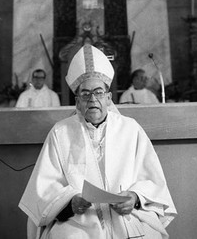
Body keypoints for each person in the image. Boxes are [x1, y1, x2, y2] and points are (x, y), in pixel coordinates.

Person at [19, 44, 176, 238]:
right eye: (85, 94)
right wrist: (70, 203)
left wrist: (134, 198)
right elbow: (44, 190)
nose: (93, 99)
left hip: (125, 218)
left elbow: (152, 181)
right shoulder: (60, 132)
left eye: (98, 92)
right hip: (78, 221)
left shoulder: (130, 128)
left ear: (109, 98)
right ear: (77, 101)